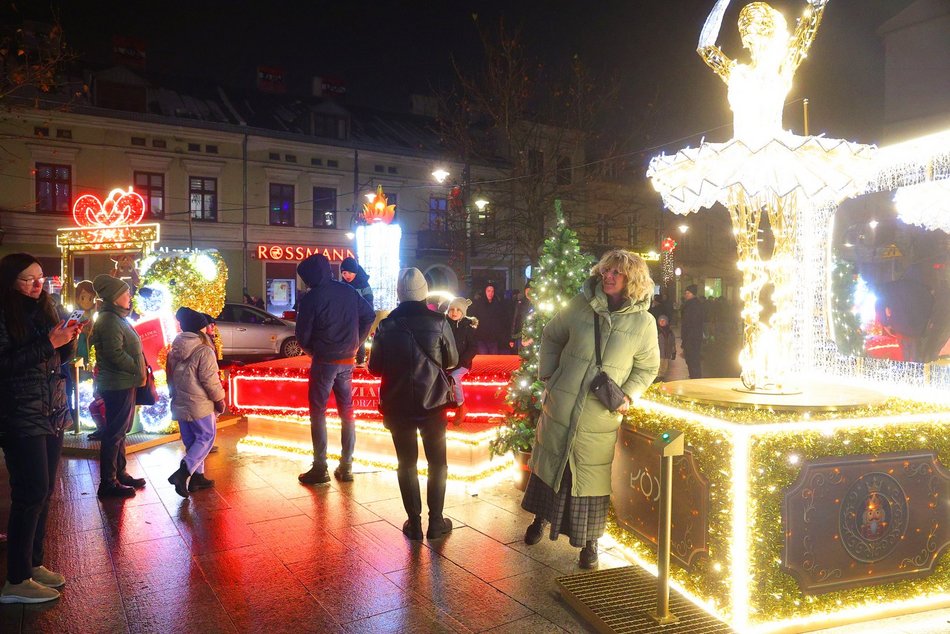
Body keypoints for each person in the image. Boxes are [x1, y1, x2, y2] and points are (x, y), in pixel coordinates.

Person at [521, 249, 659, 569]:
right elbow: (552, 335)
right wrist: (549, 375)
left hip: (599, 412)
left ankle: (590, 543)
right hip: (562, 402)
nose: (607, 277)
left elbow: (647, 367)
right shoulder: (580, 306)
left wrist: (628, 396)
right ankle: (540, 519)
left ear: (632, 280)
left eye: (616, 273)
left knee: (589, 478)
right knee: (551, 467)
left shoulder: (643, 323)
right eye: (605, 271)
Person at [0, 253, 81, 603]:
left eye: (40, 278)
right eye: (27, 279)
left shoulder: (46, 309)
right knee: (30, 492)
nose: (37, 285)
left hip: (51, 412)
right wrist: (49, 343)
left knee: (45, 490)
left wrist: (67, 340)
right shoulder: (4, 314)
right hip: (20, 414)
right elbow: (6, 364)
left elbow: (53, 360)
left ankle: (33, 565)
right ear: (9, 282)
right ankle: (16, 581)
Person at [368, 268, 459, 541]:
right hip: (433, 406)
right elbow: (451, 361)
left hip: (398, 406)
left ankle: (415, 523)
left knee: (406, 463)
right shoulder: (440, 322)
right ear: (423, 293)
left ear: (399, 293)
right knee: (438, 464)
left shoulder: (386, 325)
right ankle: (436, 523)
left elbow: (375, 367)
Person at [295, 253, 376, 485]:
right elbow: (368, 314)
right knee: (347, 412)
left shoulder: (311, 298)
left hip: (324, 362)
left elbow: (302, 336)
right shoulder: (348, 291)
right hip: (347, 361)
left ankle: (320, 467)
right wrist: (356, 343)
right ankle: (346, 465)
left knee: (318, 413)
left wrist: (313, 351)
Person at [89, 274, 147, 498]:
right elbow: (114, 353)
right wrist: (135, 366)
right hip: (118, 383)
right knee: (114, 432)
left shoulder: (116, 318)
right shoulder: (110, 320)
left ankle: (120, 473)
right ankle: (108, 482)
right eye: (125, 293)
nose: (129, 296)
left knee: (120, 431)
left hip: (123, 381)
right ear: (114, 298)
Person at [165, 308, 226, 498]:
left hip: (181, 401)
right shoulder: (204, 350)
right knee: (206, 437)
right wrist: (219, 399)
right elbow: (210, 380)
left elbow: (170, 377)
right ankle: (183, 473)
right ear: (200, 329)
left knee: (192, 440)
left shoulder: (174, 349)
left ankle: (198, 477)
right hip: (200, 404)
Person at [446, 297, 478, 423]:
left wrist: (463, 361)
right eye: (452, 309)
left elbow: (473, 347)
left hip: (462, 363)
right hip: (447, 362)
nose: (454, 312)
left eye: (458, 310)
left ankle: (461, 406)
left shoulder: (467, 327)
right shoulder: (444, 325)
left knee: (454, 377)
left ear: (463, 312)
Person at [340, 256, 375, 364]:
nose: (347, 276)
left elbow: (369, 303)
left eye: (349, 272)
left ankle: (360, 360)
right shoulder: (342, 285)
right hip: (346, 319)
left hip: (361, 318)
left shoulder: (364, 285)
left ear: (355, 271)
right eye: (344, 273)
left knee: (359, 340)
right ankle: (346, 360)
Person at [469, 280, 510, 355]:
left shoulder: (498, 304)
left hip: (493, 339)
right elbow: (474, 319)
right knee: (483, 358)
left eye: (492, 291)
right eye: (488, 291)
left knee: (493, 360)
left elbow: (501, 321)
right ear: (485, 292)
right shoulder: (479, 304)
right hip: (481, 338)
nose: (490, 293)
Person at [681, 284, 705, 379]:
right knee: (692, 359)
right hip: (693, 337)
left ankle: (695, 377)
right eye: (686, 293)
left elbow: (690, 323)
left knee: (692, 359)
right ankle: (694, 376)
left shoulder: (692, 305)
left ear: (693, 294)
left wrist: (687, 338)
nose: (686, 295)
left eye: (688, 293)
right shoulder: (692, 304)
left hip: (692, 337)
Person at [509, 281, 533, 353]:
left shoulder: (536, 304)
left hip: (533, 336)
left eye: (530, 290)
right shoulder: (520, 303)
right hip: (521, 335)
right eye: (526, 290)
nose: (528, 292)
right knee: (521, 356)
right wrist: (512, 337)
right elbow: (515, 320)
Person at [656, 315, 676, 381]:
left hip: (667, 351)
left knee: (665, 364)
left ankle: (662, 375)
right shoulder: (657, 331)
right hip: (659, 351)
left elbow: (673, 342)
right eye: (660, 321)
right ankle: (658, 375)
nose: (662, 322)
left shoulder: (669, 332)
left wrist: (673, 351)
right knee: (660, 363)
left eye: (663, 321)